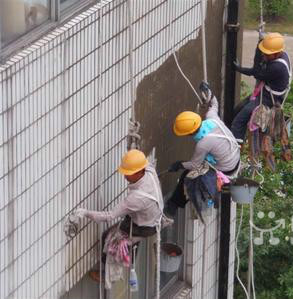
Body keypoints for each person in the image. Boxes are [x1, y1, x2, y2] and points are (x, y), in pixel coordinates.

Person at [76, 149, 164, 282]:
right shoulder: (149, 170)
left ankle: (111, 275)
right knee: (128, 237)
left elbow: (110, 216)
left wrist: (86, 213)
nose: (125, 176)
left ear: (140, 172)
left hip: (144, 227)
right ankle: (130, 254)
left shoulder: (137, 198)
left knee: (109, 237)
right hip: (153, 217)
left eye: (129, 173)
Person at [164, 82, 240, 219]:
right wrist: (208, 92)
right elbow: (213, 105)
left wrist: (179, 164)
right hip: (234, 157)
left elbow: (194, 165)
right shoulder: (212, 119)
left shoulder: (203, 144)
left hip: (226, 169)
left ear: (188, 134)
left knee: (187, 176)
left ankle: (174, 205)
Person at [231, 32, 292, 142]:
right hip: (266, 92)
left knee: (238, 121)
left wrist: (239, 69)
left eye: (267, 53)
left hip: (269, 98)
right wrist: (260, 44)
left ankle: (235, 146)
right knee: (238, 109)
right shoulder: (283, 54)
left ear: (276, 53)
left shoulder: (277, 67)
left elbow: (255, 72)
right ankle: (239, 136)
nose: (264, 55)